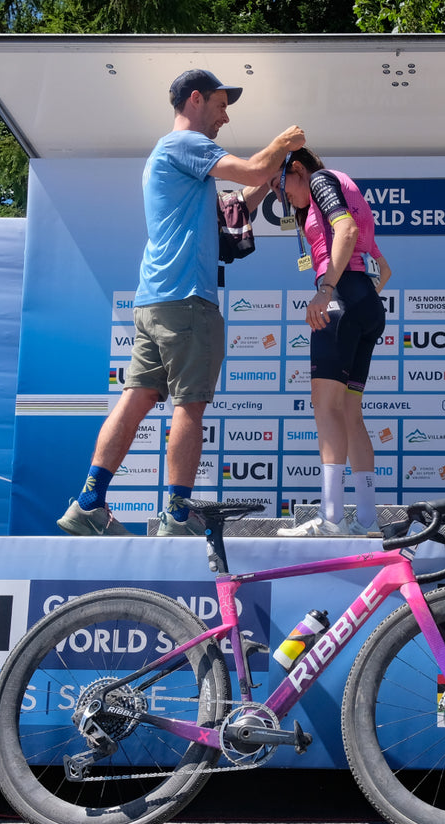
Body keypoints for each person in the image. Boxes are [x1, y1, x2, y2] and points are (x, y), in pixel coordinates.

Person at [58, 69, 305, 536]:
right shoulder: (186, 143)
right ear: (195, 99)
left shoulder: (170, 155)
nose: (225, 117)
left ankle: (89, 502)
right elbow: (253, 168)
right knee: (190, 406)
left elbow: (234, 205)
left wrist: (267, 176)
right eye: (220, 105)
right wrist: (282, 143)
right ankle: (177, 514)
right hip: (189, 300)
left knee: (135, 399)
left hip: (155, 299)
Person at [272, 148, 392, 536]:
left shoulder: (322, 180)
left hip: (340, 298)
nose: (280, 196)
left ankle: (332, 518)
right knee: (350, 413)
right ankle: (367, 520)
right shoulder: (345, 186)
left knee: (325, 407)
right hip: (364, 302)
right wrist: (360, 298)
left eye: (280, 185)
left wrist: (326, 290)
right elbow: (384, 269)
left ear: (298, 170)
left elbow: (347, 231)